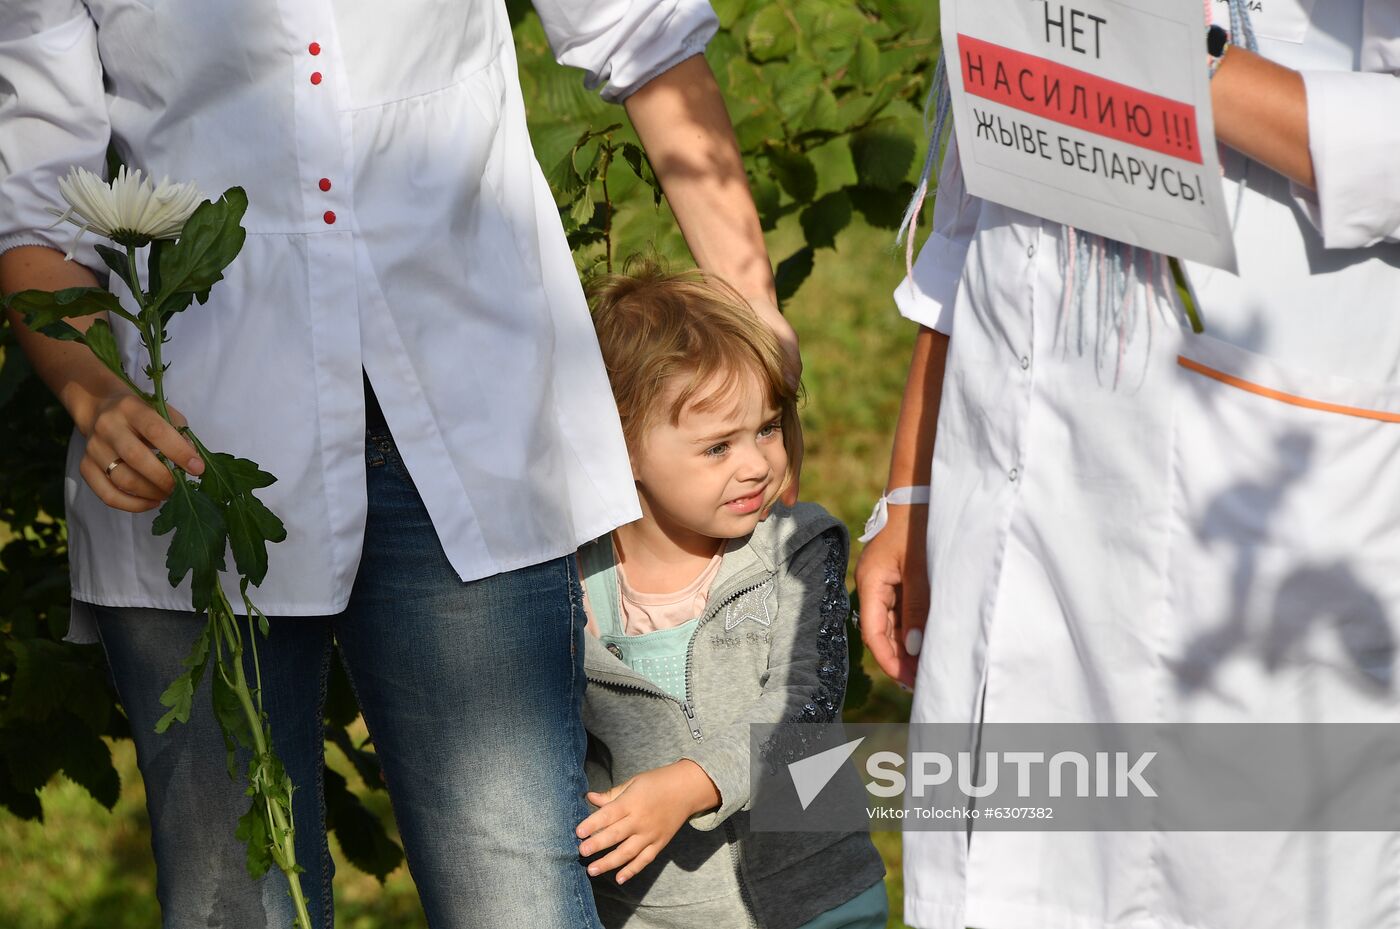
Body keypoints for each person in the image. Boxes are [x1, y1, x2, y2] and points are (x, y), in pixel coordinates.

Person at [0, 2, 794, 927]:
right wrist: (96, 393)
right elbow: (35, 189)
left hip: (469, 422)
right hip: (189, 455)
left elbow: (642, 32)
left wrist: (754, 329)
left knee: (519, 892)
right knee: (235, 903)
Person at [856, 2, 1400, 928]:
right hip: (1012, 441)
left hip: (1254, 460)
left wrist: (1161, 59)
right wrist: (914, 483)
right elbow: (971, 182)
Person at [572, 263, 887, 929]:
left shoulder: (796, 551)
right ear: (622, 445)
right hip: (659, 914)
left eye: (767, 428)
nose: (755, 463)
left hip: (819, 899)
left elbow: (804, 703)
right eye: (717, 446)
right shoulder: (572, 585)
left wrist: (690, 783)